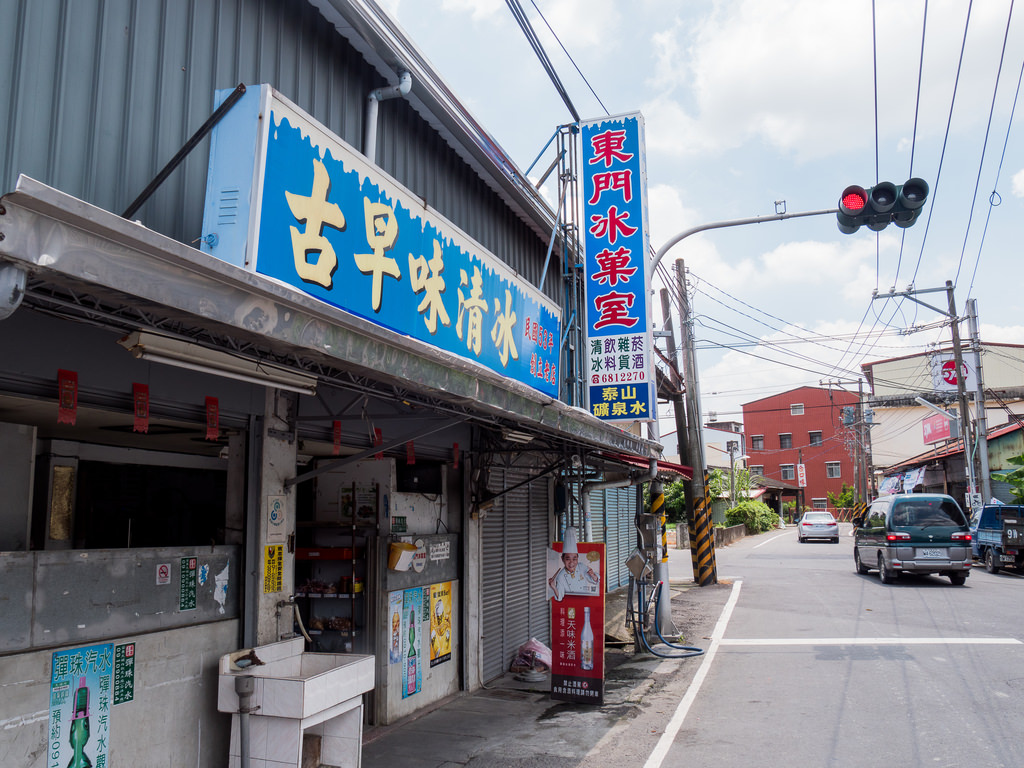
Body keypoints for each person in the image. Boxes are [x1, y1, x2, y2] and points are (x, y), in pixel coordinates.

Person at [548, 528, 599, 601]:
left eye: (574, 559)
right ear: (562, 559)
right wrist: (553, 587)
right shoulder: (561, 576)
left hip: (586, 600)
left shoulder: (581, 566)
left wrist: (593, 575)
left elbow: (595, 580)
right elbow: (560, 597)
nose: (571, 563)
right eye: (568, 559)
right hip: (572, 604)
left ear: (578, 558)